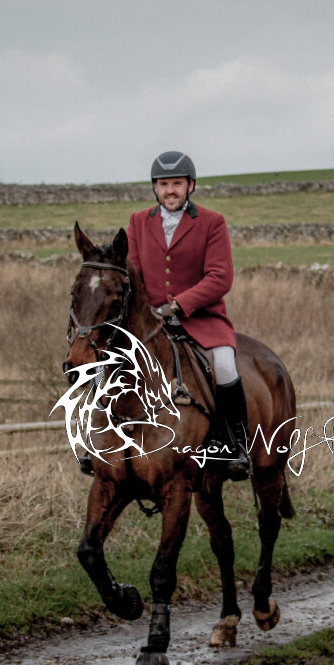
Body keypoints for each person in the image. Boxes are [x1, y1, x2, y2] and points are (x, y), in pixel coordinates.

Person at [126, 150, 250, 480]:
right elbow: (133, 274)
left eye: (177, 184)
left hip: (202, 320)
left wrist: (179, 305)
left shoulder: (212, 222)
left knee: (224, 366)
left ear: (190, 186)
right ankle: (98, 443)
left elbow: (220, 277)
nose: (170, 191)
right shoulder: (138, 221)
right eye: (164, 184)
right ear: (155, 188)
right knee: (111, 360)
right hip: (151, 323)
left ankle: (236, 445)